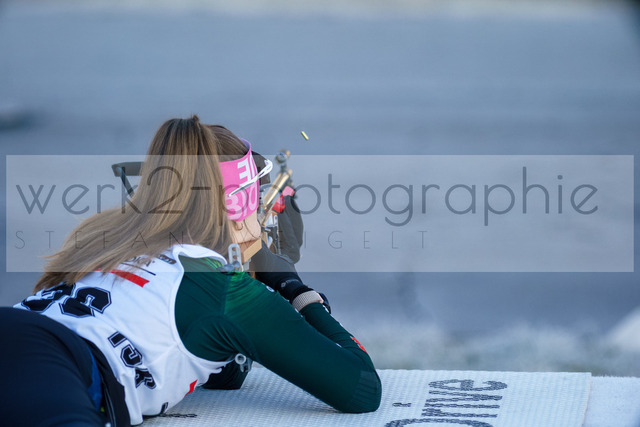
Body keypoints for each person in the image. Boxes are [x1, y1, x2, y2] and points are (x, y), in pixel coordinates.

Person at [0, 116, 382, 426]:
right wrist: (293, 287)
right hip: (61, 368)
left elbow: (222, 374)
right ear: (237, 203)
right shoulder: (224, 290)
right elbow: (361, 387)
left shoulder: (108, 238)